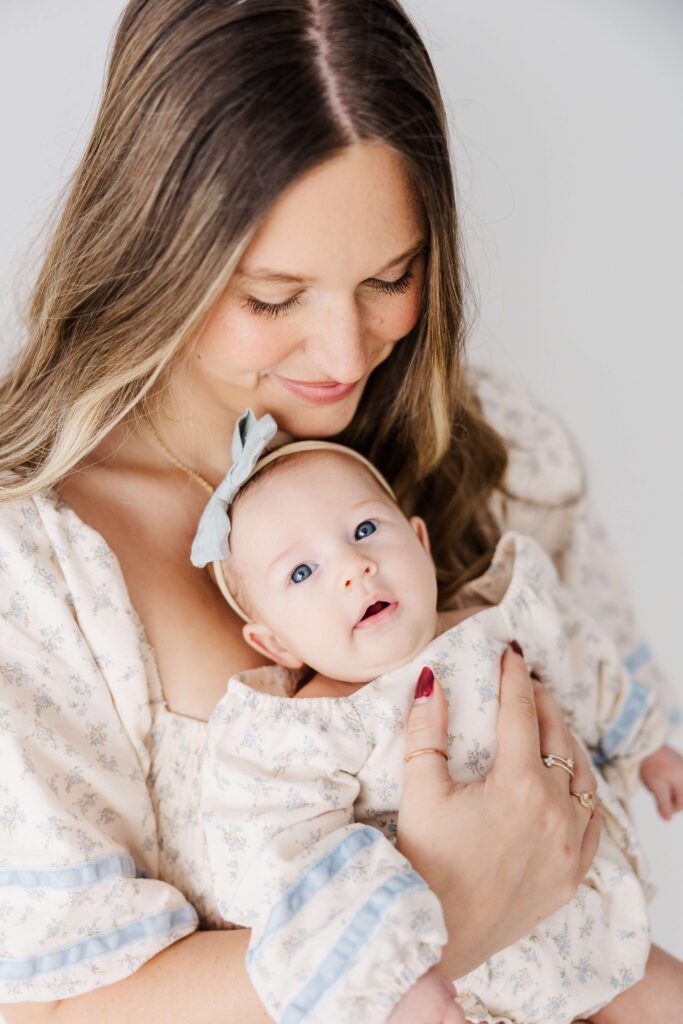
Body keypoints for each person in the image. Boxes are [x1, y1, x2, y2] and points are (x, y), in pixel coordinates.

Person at [0, 1, 676, 1021]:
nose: (343, 354)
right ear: (151, 250)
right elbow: (53, 1005)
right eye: (273, 298)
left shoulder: (488, 453)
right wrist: (439, 907)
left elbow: (594, 784)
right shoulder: (37, 564)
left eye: (389, 277)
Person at [196, 412, 683, 1024]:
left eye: (366, 528)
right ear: (275, 645)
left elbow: (586, 664)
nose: (354, 566)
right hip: (467, 983)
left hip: (585, 930)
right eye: (302, 572)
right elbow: (279, 862)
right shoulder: (307, 730)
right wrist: (390, 972)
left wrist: (646, 745)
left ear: (420, 543)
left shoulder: (501, 618)